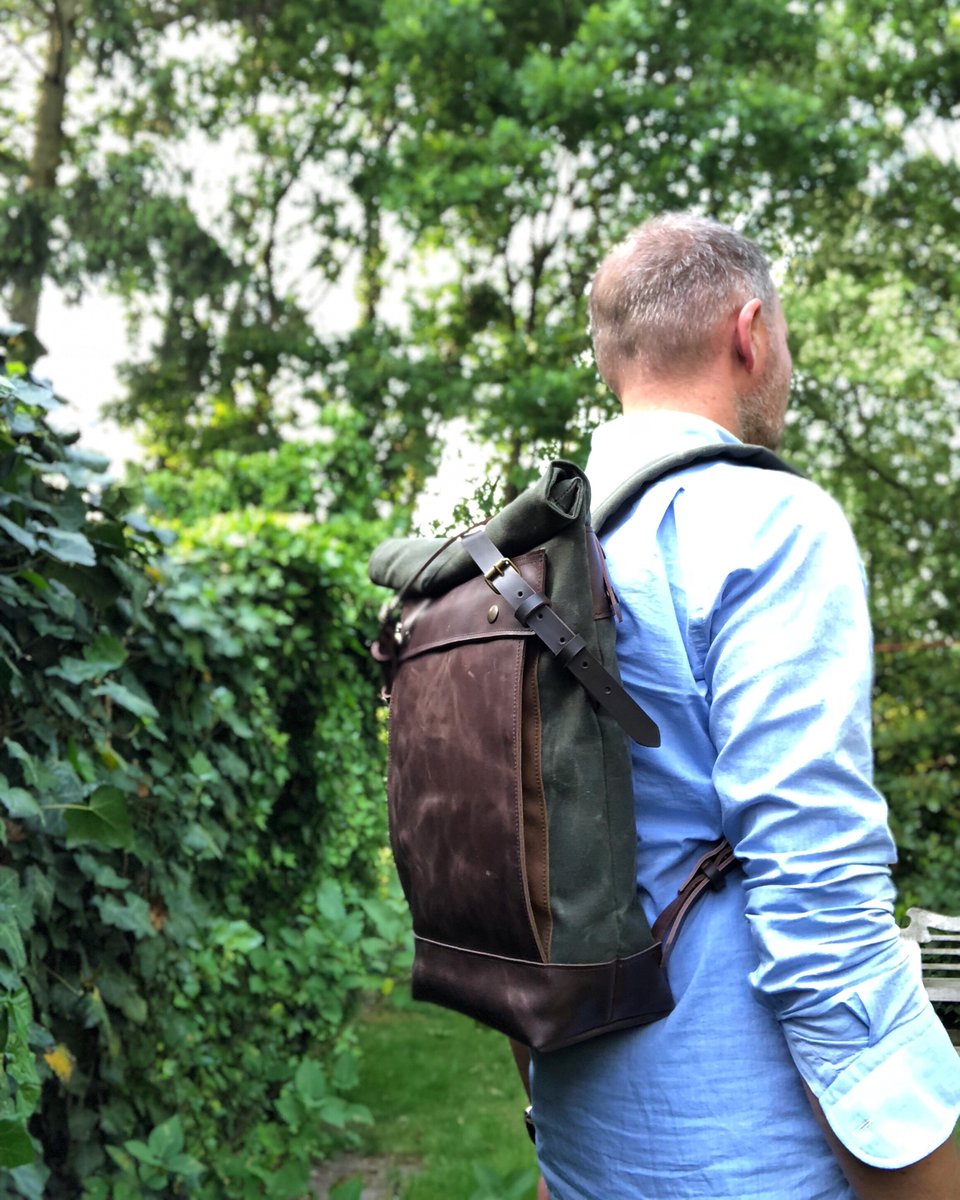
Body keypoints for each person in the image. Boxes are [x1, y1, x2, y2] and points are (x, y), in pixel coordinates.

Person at [521, 214, 960, 1199]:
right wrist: (924, 1170)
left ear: (613, 362)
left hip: (580, 1146)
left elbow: (520, 886)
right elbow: (822, 915)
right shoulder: (770, 524)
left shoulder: (527, 564)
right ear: (751, 332)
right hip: (756, 1159)